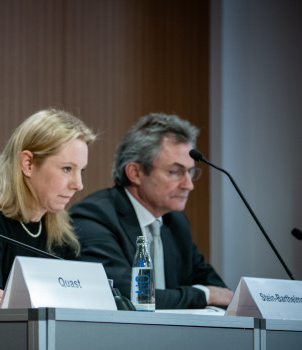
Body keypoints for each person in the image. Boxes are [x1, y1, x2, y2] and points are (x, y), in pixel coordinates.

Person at [70, 113, 233, 309]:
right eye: (175, 172)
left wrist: (212, 293)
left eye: (189, 172)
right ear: (136, 173)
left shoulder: (175, 222)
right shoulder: (94, 216)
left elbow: (222, 293)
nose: (189, 185)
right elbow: (125, 295)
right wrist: (204, 294)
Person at [0, 109, 96, 289]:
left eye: (81, 171)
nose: (78, 185)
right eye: (67, 169)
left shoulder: (61, 234)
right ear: (28, 164)